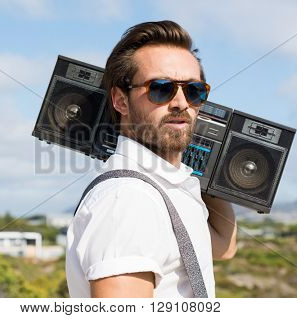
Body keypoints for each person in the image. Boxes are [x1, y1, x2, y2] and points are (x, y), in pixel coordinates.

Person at [66, 20, 237, 298]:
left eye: (194, 91)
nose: (181, 103)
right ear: (121, 101)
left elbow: (223, 246)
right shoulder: (130, 199)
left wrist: (209, 160)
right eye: (161, 88)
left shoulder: (164, 187)